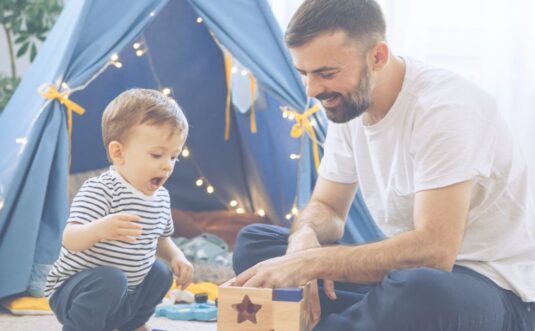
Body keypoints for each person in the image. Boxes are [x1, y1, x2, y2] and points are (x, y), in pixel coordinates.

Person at [232, 0, 535, 330]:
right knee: (256, 245)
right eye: (304, 74)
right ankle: (362, 317)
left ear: (376, 57)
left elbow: (436, 251)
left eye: (327, 73)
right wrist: (303, 239)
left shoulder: (445, 110)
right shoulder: (348, 105)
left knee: (422, 292)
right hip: (402, 278)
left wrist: (316, 262)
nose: (313, 90)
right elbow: (328, 207)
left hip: (490, 288)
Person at [44, 89, 193, 331]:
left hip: (124, 295)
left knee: (160, 273)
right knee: (112, 279)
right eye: (157, 155)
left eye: (174, 156)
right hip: (75, 292)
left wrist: (177, 257)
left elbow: (160, 239)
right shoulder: (102, 189)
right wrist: (99, 229)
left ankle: (133, 325)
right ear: (118, 153)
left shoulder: (161, 198)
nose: (167, 165)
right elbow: (70, 238)